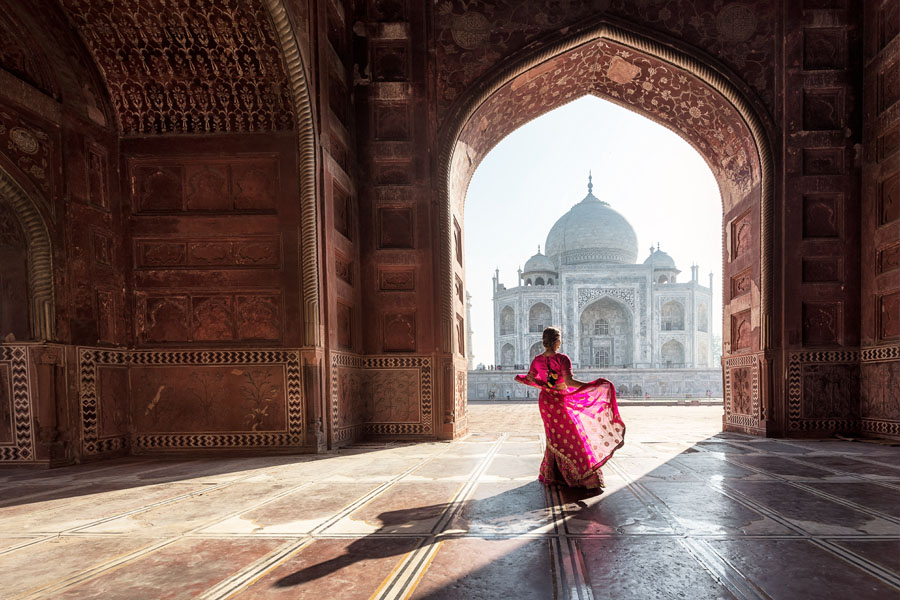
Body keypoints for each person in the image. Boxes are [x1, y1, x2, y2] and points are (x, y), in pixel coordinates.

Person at [514, 326, 625, 489]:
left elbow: (531, 379)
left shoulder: (537, 360)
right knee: (572, 434)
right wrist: (591, 386)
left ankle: (554, 473)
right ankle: (580, 474)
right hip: (559, 400)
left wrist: (542, 385)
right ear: (557, 341)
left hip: (546, 401)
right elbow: (570, 382)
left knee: (554, 437)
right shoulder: (562, 358)